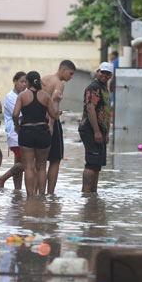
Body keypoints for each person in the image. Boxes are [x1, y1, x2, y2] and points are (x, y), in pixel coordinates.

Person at [13, 71, 61, 196]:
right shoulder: (46, 96)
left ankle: (30, 197)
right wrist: (56, 103)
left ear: (28, 82)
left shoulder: (22, 96)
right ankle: (41, 195)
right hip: (42, 133)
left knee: (29, 167)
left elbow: (15, 114)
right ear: (39, 82)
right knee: (41, 166)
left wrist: (17, 126)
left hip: (26, 133)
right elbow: (54, 115)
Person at [41, 60, 76, 194]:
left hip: (38, 121)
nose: (71, 78)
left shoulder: (43, 79)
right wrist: (52, 122)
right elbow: (54, 104)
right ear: (63, 70)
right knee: (55, 160)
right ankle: (50, 194)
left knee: (41, 162)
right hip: (51, 122)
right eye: (70, 74)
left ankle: (39, 193)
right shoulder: (59, 84)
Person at [79, 62, 113, 193]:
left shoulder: (104, 88)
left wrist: (107, 133)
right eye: (102, 72)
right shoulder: (93, 88)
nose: (104, 75)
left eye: (107, 73)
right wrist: (97, 132)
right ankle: (86, 194)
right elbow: (90, 108)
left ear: (111, 75)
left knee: (97, 165)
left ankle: (93, 195)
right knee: (91, 163)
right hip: (90, 129)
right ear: (97, 72)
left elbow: (106, 112)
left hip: (100, 130)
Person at [0, 71, 27, 190]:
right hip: (16, 133)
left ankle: (17, 191)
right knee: (27, 164)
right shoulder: (10, 97)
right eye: (21, 81)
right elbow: (19, 114)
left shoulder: (23, 95)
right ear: (15, 81)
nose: (24, 85)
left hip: (21, 133)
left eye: (25, 82)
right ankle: (2, 178)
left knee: (18, 164)